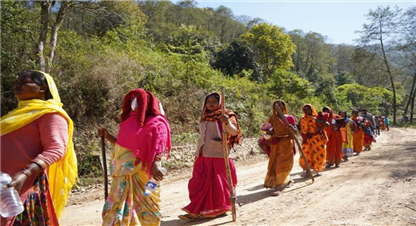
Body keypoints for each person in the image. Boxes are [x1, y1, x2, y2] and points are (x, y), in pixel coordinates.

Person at [0, 70, 77, 226]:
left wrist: (24, 174)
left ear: (42, 88)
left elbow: (56, 149)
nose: (17, 85)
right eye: (17, 82)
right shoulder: (15, 115)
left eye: (24, 82)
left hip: (24, 184)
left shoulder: (51, 115)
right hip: (4, 183)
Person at [98, 88, 171, 226]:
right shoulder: (128, 122)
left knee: (147, 205)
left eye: (135, 99)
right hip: (122, 174)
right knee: (117, 207)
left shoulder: (157, 123)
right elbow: (123, 145)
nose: (132, 102)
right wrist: (108, 136)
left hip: (146, 173)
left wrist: (155, 164)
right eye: (131, 99)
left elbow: (159, 145)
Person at [178, 92, 242, 220]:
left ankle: (214, 209)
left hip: (219, 155)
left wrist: (227, 123)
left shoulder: (227, 115)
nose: (211, 104)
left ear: (220, 103)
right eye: (209, 102)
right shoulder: (205, 116)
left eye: (214, 102)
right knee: (198, 182)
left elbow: (234, 132)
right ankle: (199, 209)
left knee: (217, 185)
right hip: (203, 154)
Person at [262, 100, 297, 196]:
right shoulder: (272, 119)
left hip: (286, 143)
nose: (278, 106)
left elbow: (296, 132)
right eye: (276, 105)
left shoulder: (289, 118)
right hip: (275, 144)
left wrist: (292, 129)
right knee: (275, 163)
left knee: (282, 164)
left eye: (280, 104)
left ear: (283, 106)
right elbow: (266, 131)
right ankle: (286, 180)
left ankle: (279, 186)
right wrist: (268, 132)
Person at [298, 104, 329, 177]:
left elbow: (327, 125)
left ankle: (318, 169)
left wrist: (319, 120)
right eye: (305, 109)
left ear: (312, 109)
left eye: (308, 109)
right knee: (305, 155)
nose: (306, 111)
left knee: (318, 154)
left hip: (317, 139)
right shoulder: (302, 119)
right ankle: (306, 170)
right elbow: (299, 127)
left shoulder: (317, 118)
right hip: (307, 139)